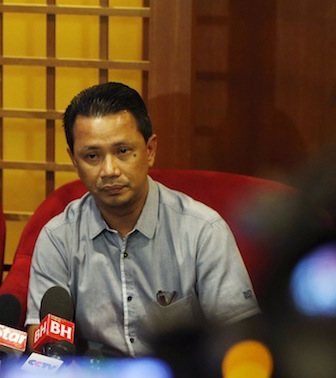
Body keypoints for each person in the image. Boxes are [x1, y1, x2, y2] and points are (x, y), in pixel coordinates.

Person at [26, 82, 260, 357]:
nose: (109, 170)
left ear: (149, 150)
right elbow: (42, 344)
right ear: (74, 161)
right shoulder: (58, 238)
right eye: (92, 156)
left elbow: (239, 339)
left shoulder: (203, 231)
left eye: (123, 151)